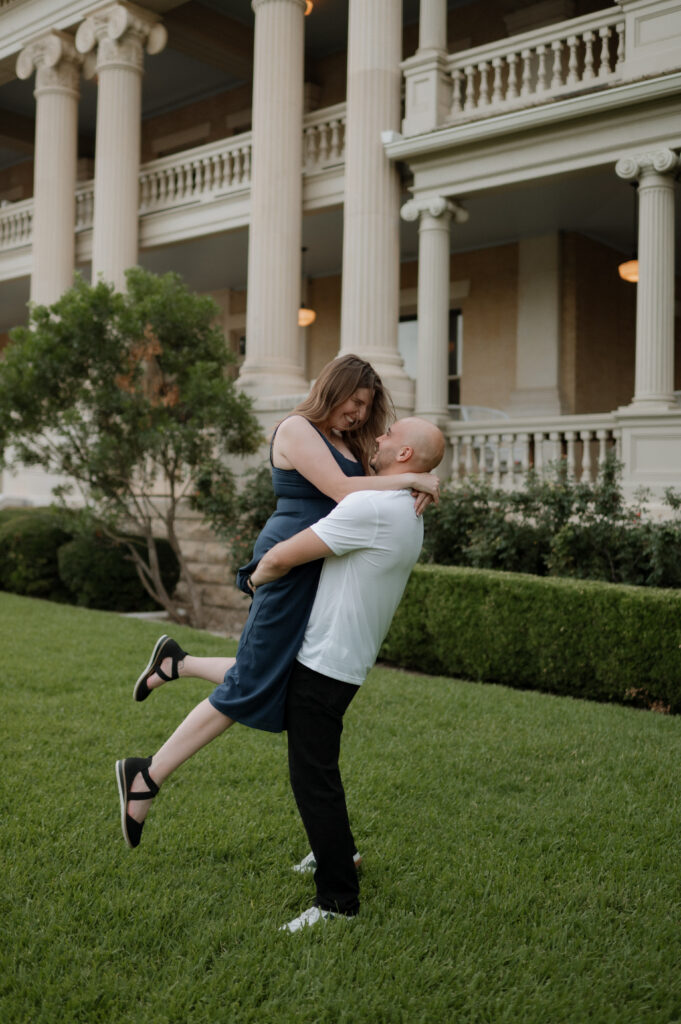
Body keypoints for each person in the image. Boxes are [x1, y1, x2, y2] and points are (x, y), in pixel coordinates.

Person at [116, 416, 444, 932]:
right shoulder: (406, 509)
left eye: (388, 436)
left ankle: (338, 901)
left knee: (313, 776)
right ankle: (338, 853)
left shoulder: (373, 505)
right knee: (271, 703)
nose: (377, 438)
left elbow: (281, 557)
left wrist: (257, 580)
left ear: (405, 456)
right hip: (343, 661)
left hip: (325, 662)